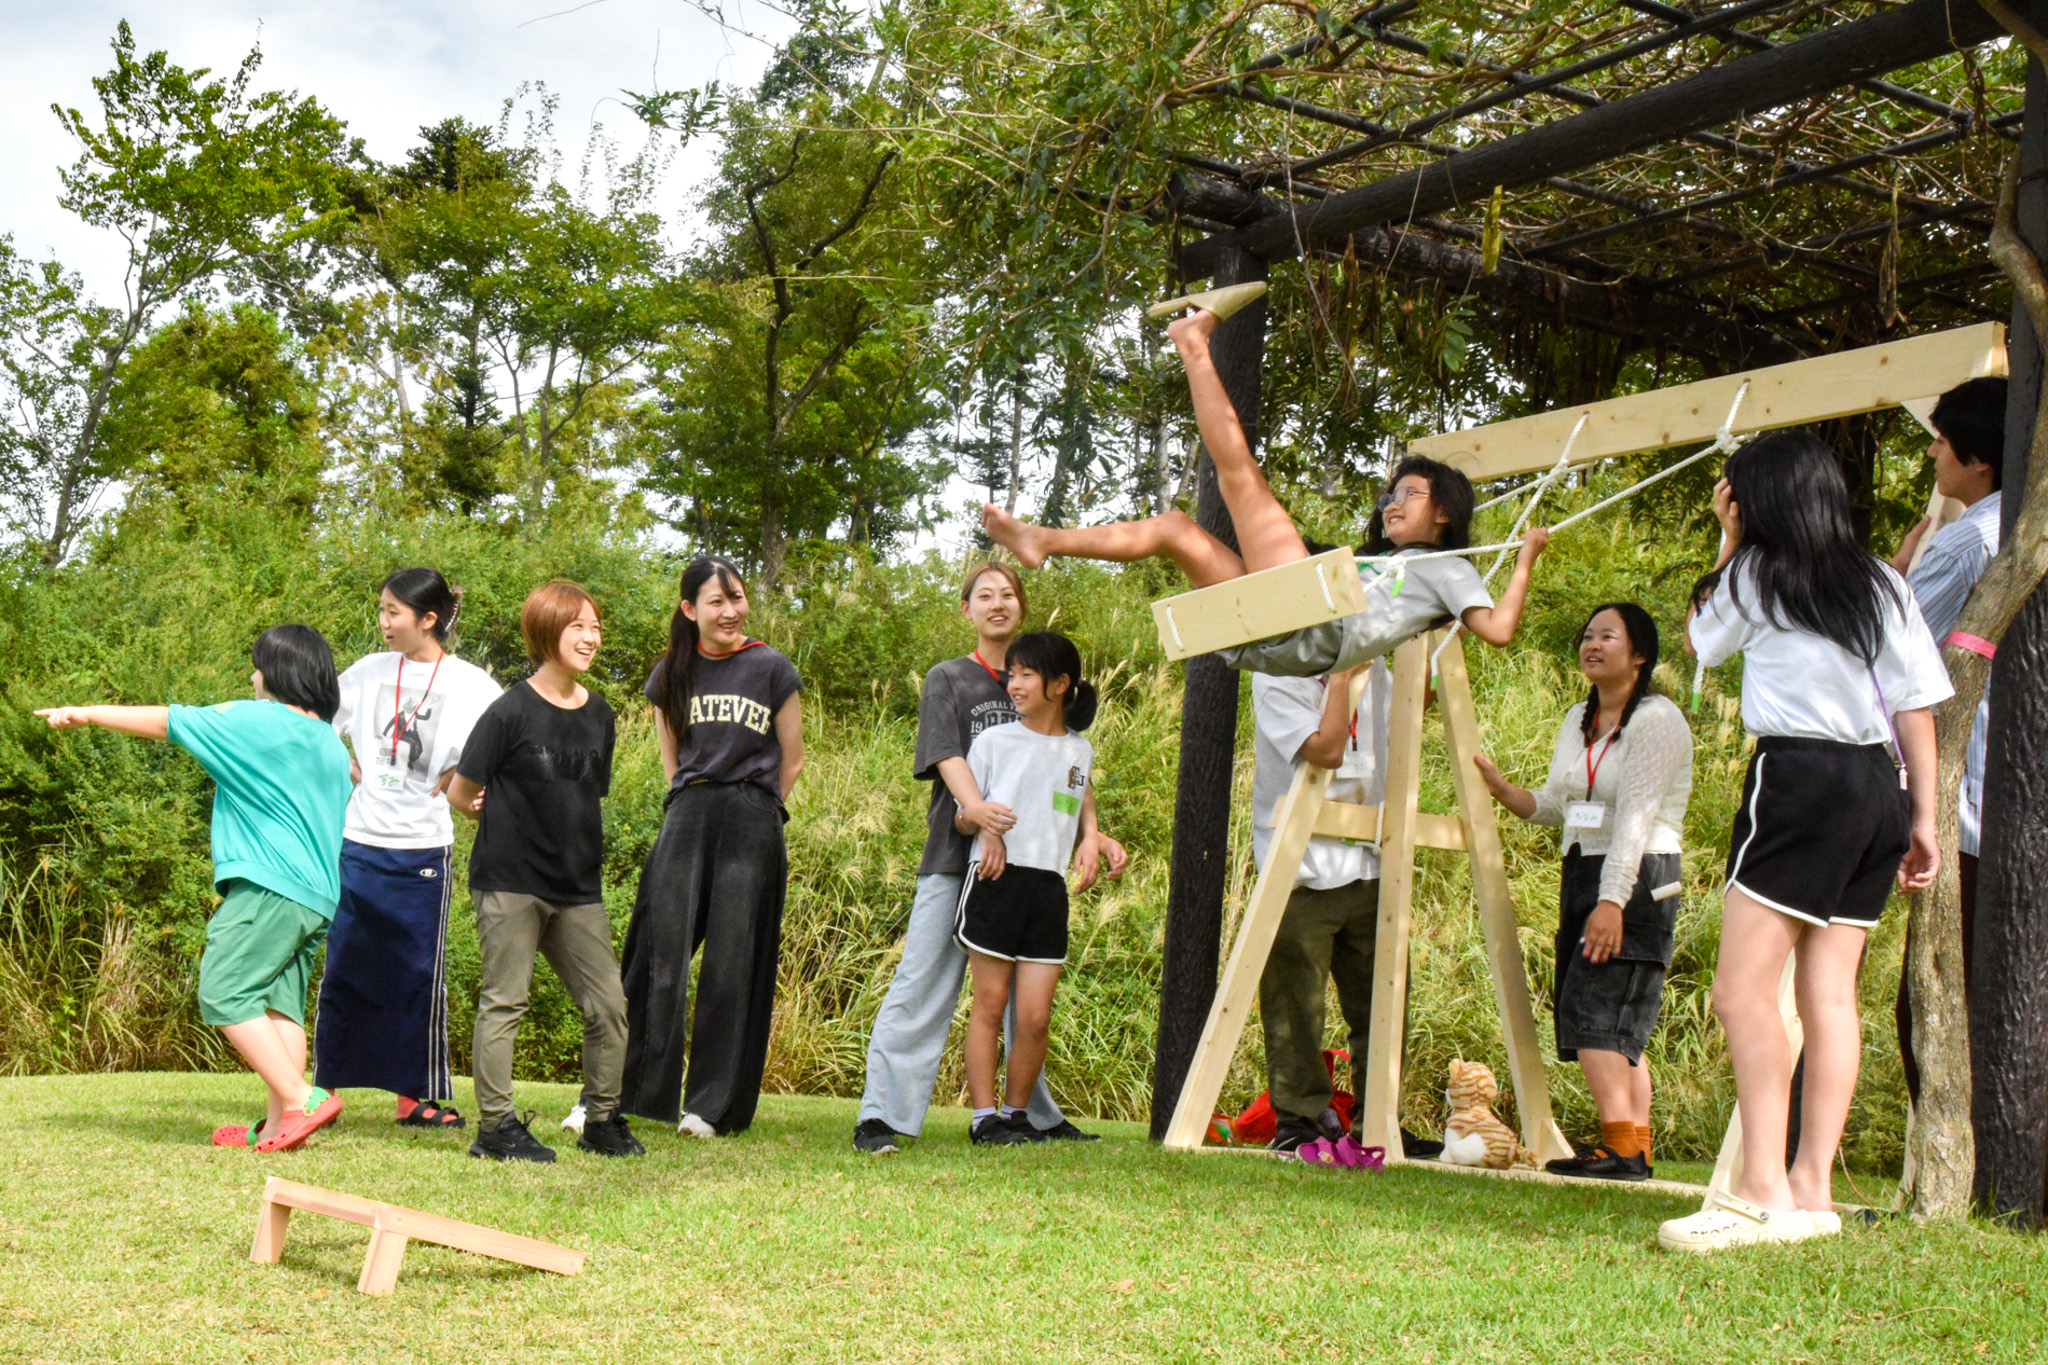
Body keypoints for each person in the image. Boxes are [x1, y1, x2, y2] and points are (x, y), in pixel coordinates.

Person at [1657, 433, 1949, 1253]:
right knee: (1829, 997)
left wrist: (1729, 541)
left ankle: (1758, 1189)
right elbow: (1916, 702)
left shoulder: (1756, 571)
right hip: (1878, 786)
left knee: (1741, 992)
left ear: (1762, 502)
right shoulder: (1881, 579)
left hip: (1800, 779)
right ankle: (1810, 1190)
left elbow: (1699, 640)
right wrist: (1922, 815)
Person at [980, 307, 1548, 677]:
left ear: (1446, 512)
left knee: (1238, 475)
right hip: (1277, 631)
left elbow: (1496, 631)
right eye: (1389, 495)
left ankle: (1193, 346)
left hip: (1311, 625)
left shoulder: (1450, 567)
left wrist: (1524, 559)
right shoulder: (1388, 564)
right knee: (1174, 526)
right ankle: (1043, 541)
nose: (1392, 504)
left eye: (1410, 494)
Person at [37, 626, 353, 1152]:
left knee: (224, 988)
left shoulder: (258, 720)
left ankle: (302, 1097)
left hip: (267, 885)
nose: (252, 677)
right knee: (279, 1006)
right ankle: (280, 1126)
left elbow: (169, 720)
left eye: (256, 666)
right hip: (317, 896)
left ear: (275, 672)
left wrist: (87, 712)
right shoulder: (329, 741)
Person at [852, 562, 1127, 1154]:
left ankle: (1031, 1116)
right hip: (960, 855)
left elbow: (1070, 770)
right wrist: (979, 817)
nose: (997, 603)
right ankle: (883, 1116)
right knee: (926, 981)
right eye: (984, 595)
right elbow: (948, 755)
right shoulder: (951, 678)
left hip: (1035, 867)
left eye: (1008, 594)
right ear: (967, 609)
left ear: (1022, 608)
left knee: (1023, 1005)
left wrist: (1090, 832)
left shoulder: (1046, 678)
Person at [1474, 603, 1693, 1182]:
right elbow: (1559, 805)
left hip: (1638, 876)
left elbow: (1636, 822)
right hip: (1584, 869)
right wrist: (1503, 789)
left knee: (1595, 1010)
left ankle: (1620, 1150)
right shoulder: (1580, 716)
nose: (1592, 644)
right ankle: (1632, 1149)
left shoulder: (1657, 719)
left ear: (1640, 654)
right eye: (1587, 635)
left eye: (1608, 636)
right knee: (1614, 1019)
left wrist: (1612, 901)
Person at [448, 581, 640, 1163]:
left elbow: (585, 794)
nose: (591, 637)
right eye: (577, 625)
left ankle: (602, 1120)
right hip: (508, 881)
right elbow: (461, 791)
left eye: (596, 626)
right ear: (545, 631)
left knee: (608, 1004)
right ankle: (497, 1129)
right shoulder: (508, 711)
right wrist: (483, 806)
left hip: (578, 888)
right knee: (505, 1002)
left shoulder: (600, 713)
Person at [618, 557, 803, 1138]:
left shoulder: (772, 666)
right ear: (689, 609)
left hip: (752, 816)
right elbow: (671, 759)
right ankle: (628, 1091)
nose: (730, 611)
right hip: (690, 812)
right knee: (657, 952)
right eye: (716, 601)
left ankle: (711, 1106)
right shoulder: (672, 671)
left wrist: (760, 808)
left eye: (737, 598)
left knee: (732, 962)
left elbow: (792, 759)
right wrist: (686, 799)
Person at [314, 568, 501, 1131]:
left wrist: (464, 789)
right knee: (344, 966)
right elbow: (316, 721)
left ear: (429, 619)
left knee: (416, 972)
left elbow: (485, 756)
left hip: (424, 849)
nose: (384, 622)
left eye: (395, 612)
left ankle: (415, 1097)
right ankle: (322, 1093)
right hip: (358, 842)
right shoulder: (368, 672)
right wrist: (344, 764)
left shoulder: (473, 686)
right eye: (382, 609)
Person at [1887, 376, 2006, 1105]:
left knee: (1931, 1002)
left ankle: (1953, 1173)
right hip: (2010, 808)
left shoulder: (1964, 542)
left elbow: (1900, 662)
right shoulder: (2018, 530)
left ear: (1979, 458)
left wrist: (1899, 576)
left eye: (1941, 439)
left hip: (1969, 807)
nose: (1933, 452)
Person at [952, 631, 1113, 1146]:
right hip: (996, 881)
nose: (1013, 683)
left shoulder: (1079, 749)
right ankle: (983, 1119)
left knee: (1036, 1016)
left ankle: (1017, 1114)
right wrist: (984, 827)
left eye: (1026, 674)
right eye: (1011, 673)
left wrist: (1092, 837)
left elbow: (1075, 792)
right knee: (990, 1004)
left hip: (1049, 887)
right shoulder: (995, 740)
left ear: (1061, 684)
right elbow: (962, 815)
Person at [1247, 653, 1390, 1152]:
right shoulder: (1275, 673)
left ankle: (1380, 1121)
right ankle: (1300, 1119)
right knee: (1295, 1005)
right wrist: (1345, 677)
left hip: (1371, 862)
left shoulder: (1380, 674)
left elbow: (1410, 715)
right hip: (1301, 865)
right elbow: (1325, 751)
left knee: (1383, 1002)